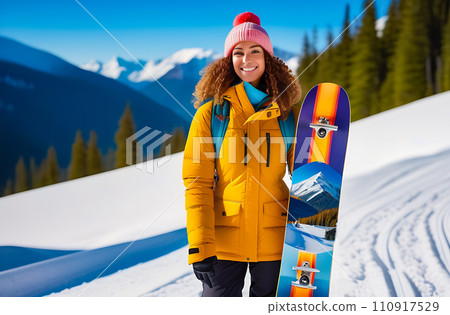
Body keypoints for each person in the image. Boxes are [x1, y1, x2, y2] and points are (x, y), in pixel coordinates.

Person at [182, 12, 302, 297]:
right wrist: (200, 245)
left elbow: (305, 177)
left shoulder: (286, 116)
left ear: (268, 58)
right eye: (238, 53)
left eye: (254, 51)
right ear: (229, 60)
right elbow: (197, 183)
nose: (246, 60)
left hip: (275, 242)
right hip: (223, 243)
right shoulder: (212, 115)